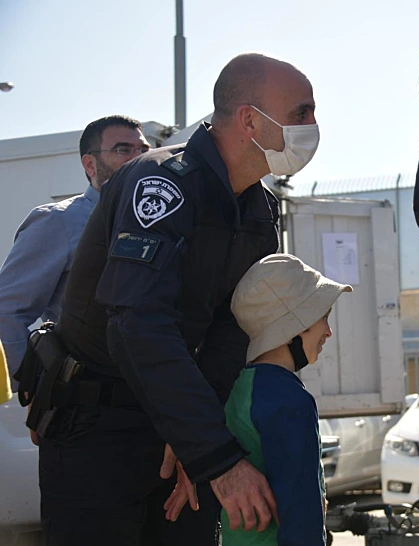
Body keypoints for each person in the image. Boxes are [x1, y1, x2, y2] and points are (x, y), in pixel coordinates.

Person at [30, 53, 320, 546]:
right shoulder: (161, 182)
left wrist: (195, 439)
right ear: (250, 120)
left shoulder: (258, 207)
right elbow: (136, 324)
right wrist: (217, 459)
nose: (312, 126)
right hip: (98, 432)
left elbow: (234, 326)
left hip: (176, 429)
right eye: (301, 113)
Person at [0, 115, 148, 384]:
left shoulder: (158, 222)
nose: (139, 158)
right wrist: (32, 385)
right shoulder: (59, 220)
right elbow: (8, 311)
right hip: (87, 395)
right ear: (90, 164)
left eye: (144, 150)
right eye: (123, 150)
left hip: (152, 391)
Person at [216, 253, 350, 546]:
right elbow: (300, 510)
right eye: (322, 317)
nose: (328, 332)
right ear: (294, 326)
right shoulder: (290, 401)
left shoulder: (239, 389)